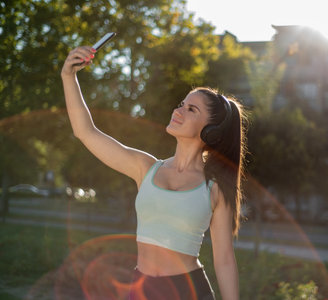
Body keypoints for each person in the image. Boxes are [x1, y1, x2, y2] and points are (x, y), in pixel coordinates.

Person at [61, 46, 246, 300]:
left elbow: (224, 259)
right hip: (142, 290)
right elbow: (86, 132)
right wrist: (69, 78)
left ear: (211, 131)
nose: (178, 110)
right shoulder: (146, 168)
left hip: (189, 292)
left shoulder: (214, 188)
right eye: (182, 104)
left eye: (192, 110)